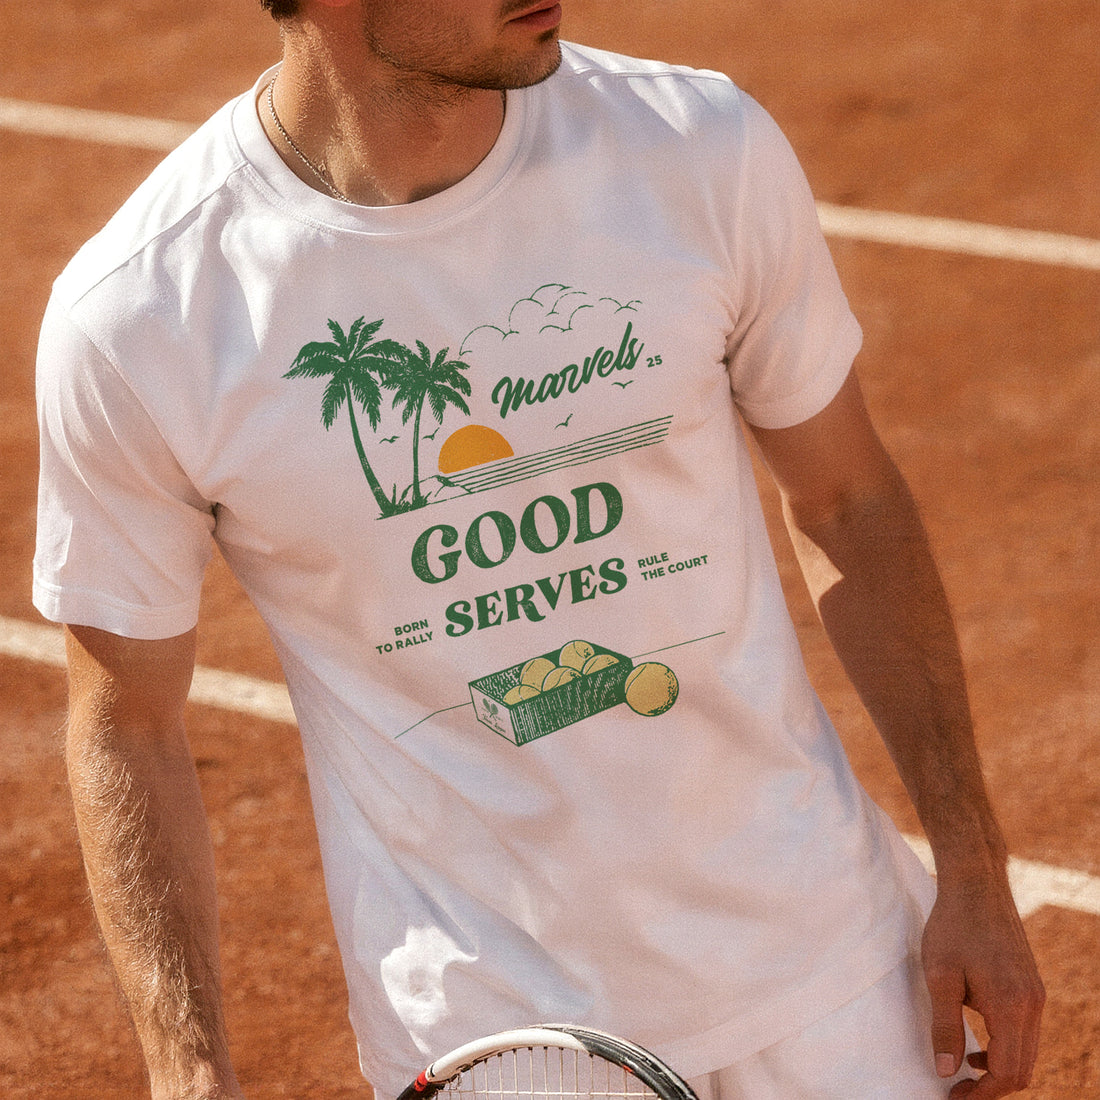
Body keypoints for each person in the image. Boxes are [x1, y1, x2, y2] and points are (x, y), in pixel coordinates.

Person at [33, 1, 1044, 1098]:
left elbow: (847, 501)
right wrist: (189, 1073)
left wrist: (975, 868)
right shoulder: (140, 317)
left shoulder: (695, 144)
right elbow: (125, 716)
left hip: (823, 964)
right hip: (496, 1038)